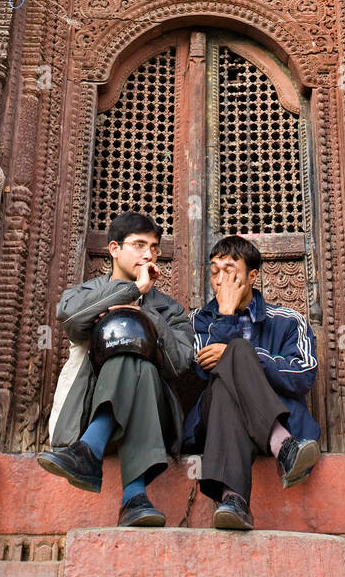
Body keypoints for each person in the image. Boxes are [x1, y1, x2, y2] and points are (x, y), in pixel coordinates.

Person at [38, 212, 195, 527]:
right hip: (86, 409)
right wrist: (131, 291)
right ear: (113, 249)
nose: (148, 254)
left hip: (156, 417)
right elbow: (71, 320)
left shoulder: (171, 309)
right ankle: (134, 498)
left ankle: (88, 452)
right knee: (133, 360)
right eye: (138, 245)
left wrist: (146, 316)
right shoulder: (84, 294)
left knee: (138, 354)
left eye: (153, 247)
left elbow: (181, 364)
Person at [184, 234, 320, 531]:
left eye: (230, 270)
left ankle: (233, 500)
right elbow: (198, 377)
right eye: (214, 271)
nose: (220, 280)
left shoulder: (287, 320)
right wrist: (225, 316)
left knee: (237, 353)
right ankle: (283, 445)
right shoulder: (196, 322)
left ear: (252, 276)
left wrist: (249, 356)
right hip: (212, 426)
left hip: (281, 412)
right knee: (224, 376)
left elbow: (302, 375)